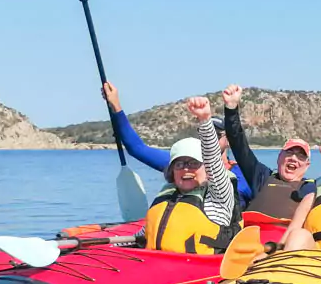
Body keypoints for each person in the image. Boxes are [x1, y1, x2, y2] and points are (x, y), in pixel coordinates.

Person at [102, 81, 253, 200]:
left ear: (227, 139)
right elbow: (136, 148)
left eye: (217, 135)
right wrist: (115, 105)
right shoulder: (180, 165)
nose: (210, 139)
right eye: (206, 133)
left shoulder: (244, 171)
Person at [143, 97, 239, 254]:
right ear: (172, 171)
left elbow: (213, 159)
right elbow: (145, 233)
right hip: (156, 265)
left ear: (206, 168)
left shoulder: (219, 196)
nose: (186, 169)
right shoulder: (168, 195)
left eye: (194, 163)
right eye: (179, 164)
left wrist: (205, 120)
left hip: (197, 270)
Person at [220, 84, 316, 221]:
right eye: (289, 153)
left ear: (307, 165)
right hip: (252, 237)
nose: (293, 158)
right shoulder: (262, 177)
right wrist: (231, 109)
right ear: (279, 158)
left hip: (285, 239)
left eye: (301, 156)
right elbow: (239, 146)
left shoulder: (311, 188)